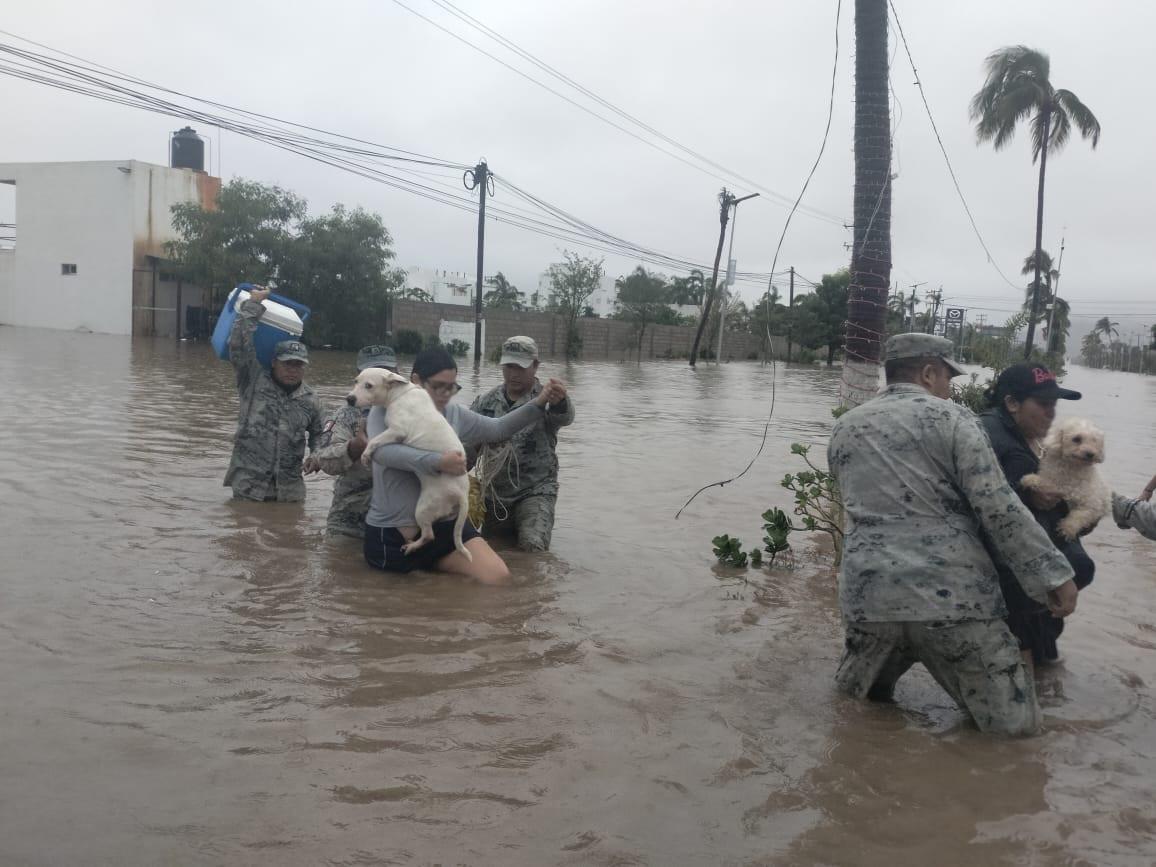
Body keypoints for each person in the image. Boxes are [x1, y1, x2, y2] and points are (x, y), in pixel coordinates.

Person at [829, 334, 1078, 736]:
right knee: (1016, 734)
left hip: (869, 600)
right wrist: (1053, 574)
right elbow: (998, 507)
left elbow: (853, 508)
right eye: (948, 377)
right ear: (928, 373)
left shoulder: (844, 427)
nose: (949, 388)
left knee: (856, 714)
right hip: (953, 603)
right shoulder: (955, 419)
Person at [364, 347, 566, 583]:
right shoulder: (384, 411)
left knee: (499, 578)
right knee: (413, 603)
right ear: (416, 381)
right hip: (394, 535)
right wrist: (438, 462)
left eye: (451, 387)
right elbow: (382, 453)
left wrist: (539, 403)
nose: (445, 395)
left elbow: (497, 428)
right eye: (439, 387)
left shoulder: (454, 413)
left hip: (447, 528)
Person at [978, 363, 1092, 667]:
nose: (1051, 413)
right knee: (1024, 675)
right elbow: (1002, 514)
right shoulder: (1008, 446)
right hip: (1013, 580)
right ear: (1012, 403)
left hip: (1028, 584)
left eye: (1054, 405)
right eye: (1042, 404)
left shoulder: (1015, 433)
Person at [470, 336, 574, 552]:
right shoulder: (486, 402)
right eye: (509, 366)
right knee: (490, 550)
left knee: (532, 548)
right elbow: (466, 451)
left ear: (535, 366)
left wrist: (561, 402)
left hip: (535, 491)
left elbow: (563, 417)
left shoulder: (548, 398)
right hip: (495, 495)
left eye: (521, 367)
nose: (514, 374)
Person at [224, 286, 324, 502]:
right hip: (249, 487)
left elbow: (319, 434)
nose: (292, 370)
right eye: (287, 364)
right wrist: (253, 305)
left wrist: (317, 455)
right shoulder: (252, 380)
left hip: (289, 492)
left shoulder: (311, 400)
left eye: (298, 365)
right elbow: (239, 345)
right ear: (273, 363)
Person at [305, 344, 398, 537]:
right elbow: (323, 458)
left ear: (396, 375)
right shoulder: (345, 414)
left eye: (385, 372)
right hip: (350, 522)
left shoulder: (412, 411)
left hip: (398, 521)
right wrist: (353, 448)